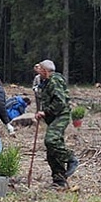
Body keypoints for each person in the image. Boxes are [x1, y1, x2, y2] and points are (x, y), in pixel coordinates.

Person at [34, 59, 79, 189]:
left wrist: (45, 112)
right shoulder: (46, 81)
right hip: (53, 117)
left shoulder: (54, 80)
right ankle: (59, 180)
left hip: (61, 115)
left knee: (51, 141)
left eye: (40, 69)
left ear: (45, 70)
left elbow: (60, 102)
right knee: (52, 151)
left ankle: (71, 157)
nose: (38, 72)